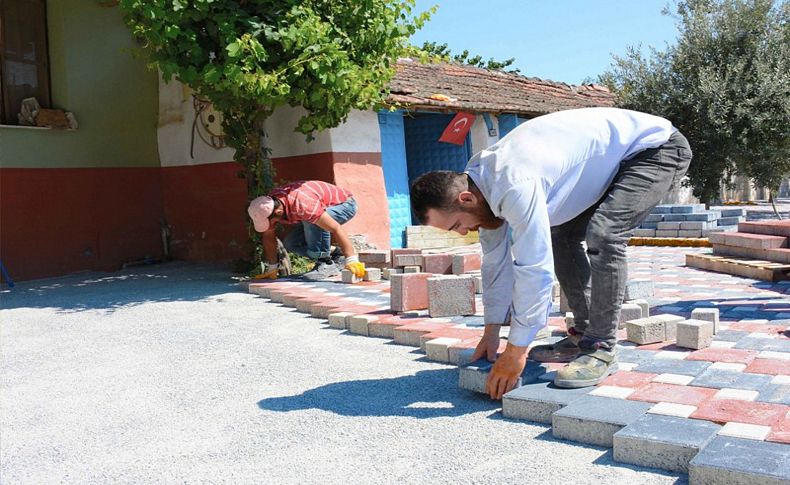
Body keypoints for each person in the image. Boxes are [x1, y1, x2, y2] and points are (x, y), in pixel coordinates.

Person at [410, 107, 692, 398]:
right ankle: (583, 334)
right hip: (613, 159)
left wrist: (517, 351)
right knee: (561, 235)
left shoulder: (513, 183)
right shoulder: (481, 186)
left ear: (466, 199)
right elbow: (495, 263)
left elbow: (534, 267)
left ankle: (601, 347)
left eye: (457, 224)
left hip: (655, 148)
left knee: (605, 234)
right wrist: (491, 332)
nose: (462, 233)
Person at [248, 180, 366, 281]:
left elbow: (335, 228)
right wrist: (272, 268)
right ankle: (336, 253)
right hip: (315, 209)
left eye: (272, 222)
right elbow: (269, 236)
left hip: (344, 205)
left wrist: (352, 259)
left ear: (279, 212)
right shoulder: (269, 206)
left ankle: (326, 263)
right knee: (291, 244)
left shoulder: (303, 204)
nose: (271, 225)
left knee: (313, 220)